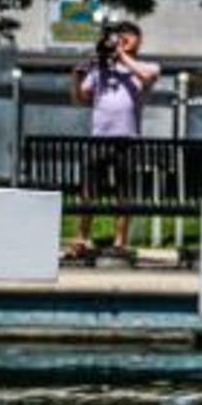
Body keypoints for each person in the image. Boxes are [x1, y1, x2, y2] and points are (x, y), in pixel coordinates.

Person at [68, 21, 161, 258]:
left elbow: (147, 77)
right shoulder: (100, 69)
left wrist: (120, 56)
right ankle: (81, 240)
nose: (123, 38)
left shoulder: (146, 67)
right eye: (120, 35)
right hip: (99, 138)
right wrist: (77, 78)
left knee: (123, 193)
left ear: (139, 41)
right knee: (89, 193)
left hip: (128, 140)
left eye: (129, 35)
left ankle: (119, 243)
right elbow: (81, 100)